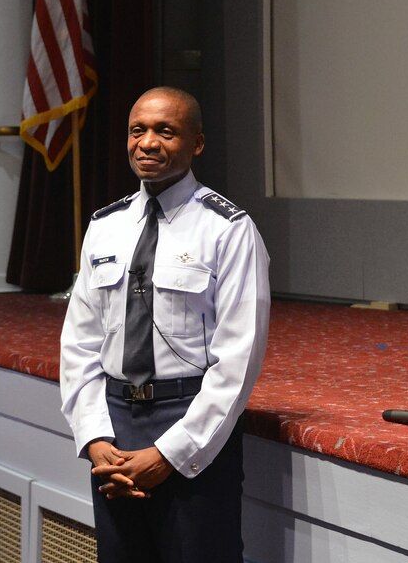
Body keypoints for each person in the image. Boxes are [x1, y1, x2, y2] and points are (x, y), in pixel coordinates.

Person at [60, 86, 270, 562]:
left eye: (166, 131)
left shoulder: (228, 229)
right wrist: (94, 438)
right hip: (114, 428)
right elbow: (80, 344)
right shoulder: (105, 226)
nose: (148, 143)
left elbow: (238, 360)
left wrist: (171, 453)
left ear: (197, 143)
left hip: (190, 421)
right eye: (137, 130)